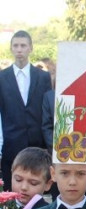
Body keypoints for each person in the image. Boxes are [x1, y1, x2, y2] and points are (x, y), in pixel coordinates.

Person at [0, 30, 52, 190]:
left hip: (38, 144)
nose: (19, 49)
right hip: (11, 143)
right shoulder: (2, 77)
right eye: (15, 46)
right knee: (11, 193)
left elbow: (48, 110)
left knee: (36, 191)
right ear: (11, 48)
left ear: (30, 48)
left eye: (23, 45)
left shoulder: (43, 77)